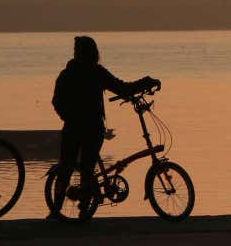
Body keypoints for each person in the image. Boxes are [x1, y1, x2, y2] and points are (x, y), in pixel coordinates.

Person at [50, 35, 157, 217]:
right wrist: (146, 82)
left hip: (72, 128)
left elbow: (56, 101)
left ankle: (55, 211)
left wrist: (69, 117)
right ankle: (84, 210)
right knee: (87, 168)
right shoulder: (96, 72)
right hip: (93, 127)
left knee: (65, 168)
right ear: (94, 53)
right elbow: (122, 88)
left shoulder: (66, 74)